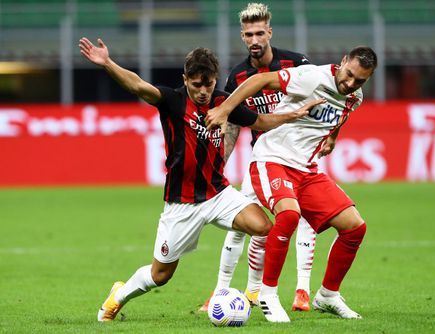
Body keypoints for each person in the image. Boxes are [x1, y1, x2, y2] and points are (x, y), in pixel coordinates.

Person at [78, 37, 324, 322]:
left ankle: (256, 292)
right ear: (185, 80)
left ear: (215, 79)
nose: (204, 91)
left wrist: (292, 115)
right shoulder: (172, 100)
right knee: (160, 275)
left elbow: (259, 122)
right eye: (196, 85)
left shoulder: (224, 101)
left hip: (219, 194)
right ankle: (118, 296)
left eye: (208, 84)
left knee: (265, 228)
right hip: (182, 204)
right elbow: (137, 85)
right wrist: (108, 63)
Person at [206, 46, 378, 322]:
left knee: (355, 227)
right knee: (288, 216)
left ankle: (328, 295)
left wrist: (332, 137)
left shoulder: (354, 97)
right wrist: (225, 109)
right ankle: (267, 294)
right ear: (342, 61)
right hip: (271, 159)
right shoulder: (311, 77)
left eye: (360, 80)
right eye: (349, 75)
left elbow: (339, 113)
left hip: (305, 171)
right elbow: (259, 80)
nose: (350, 84)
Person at [200, 2, 317, 313]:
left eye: (260, 33)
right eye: (249, 34)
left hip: (299, 156)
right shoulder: (238, 77)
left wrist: (329, 135)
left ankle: (302, 290)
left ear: (270, 32)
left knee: (305, 218)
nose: (255, 39)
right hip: (263, 159)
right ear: (242, 36)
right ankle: (221, 291)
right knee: (241, 224)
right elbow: (233, 127)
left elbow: (324, 99)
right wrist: (217, 164)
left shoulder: (296, 63)